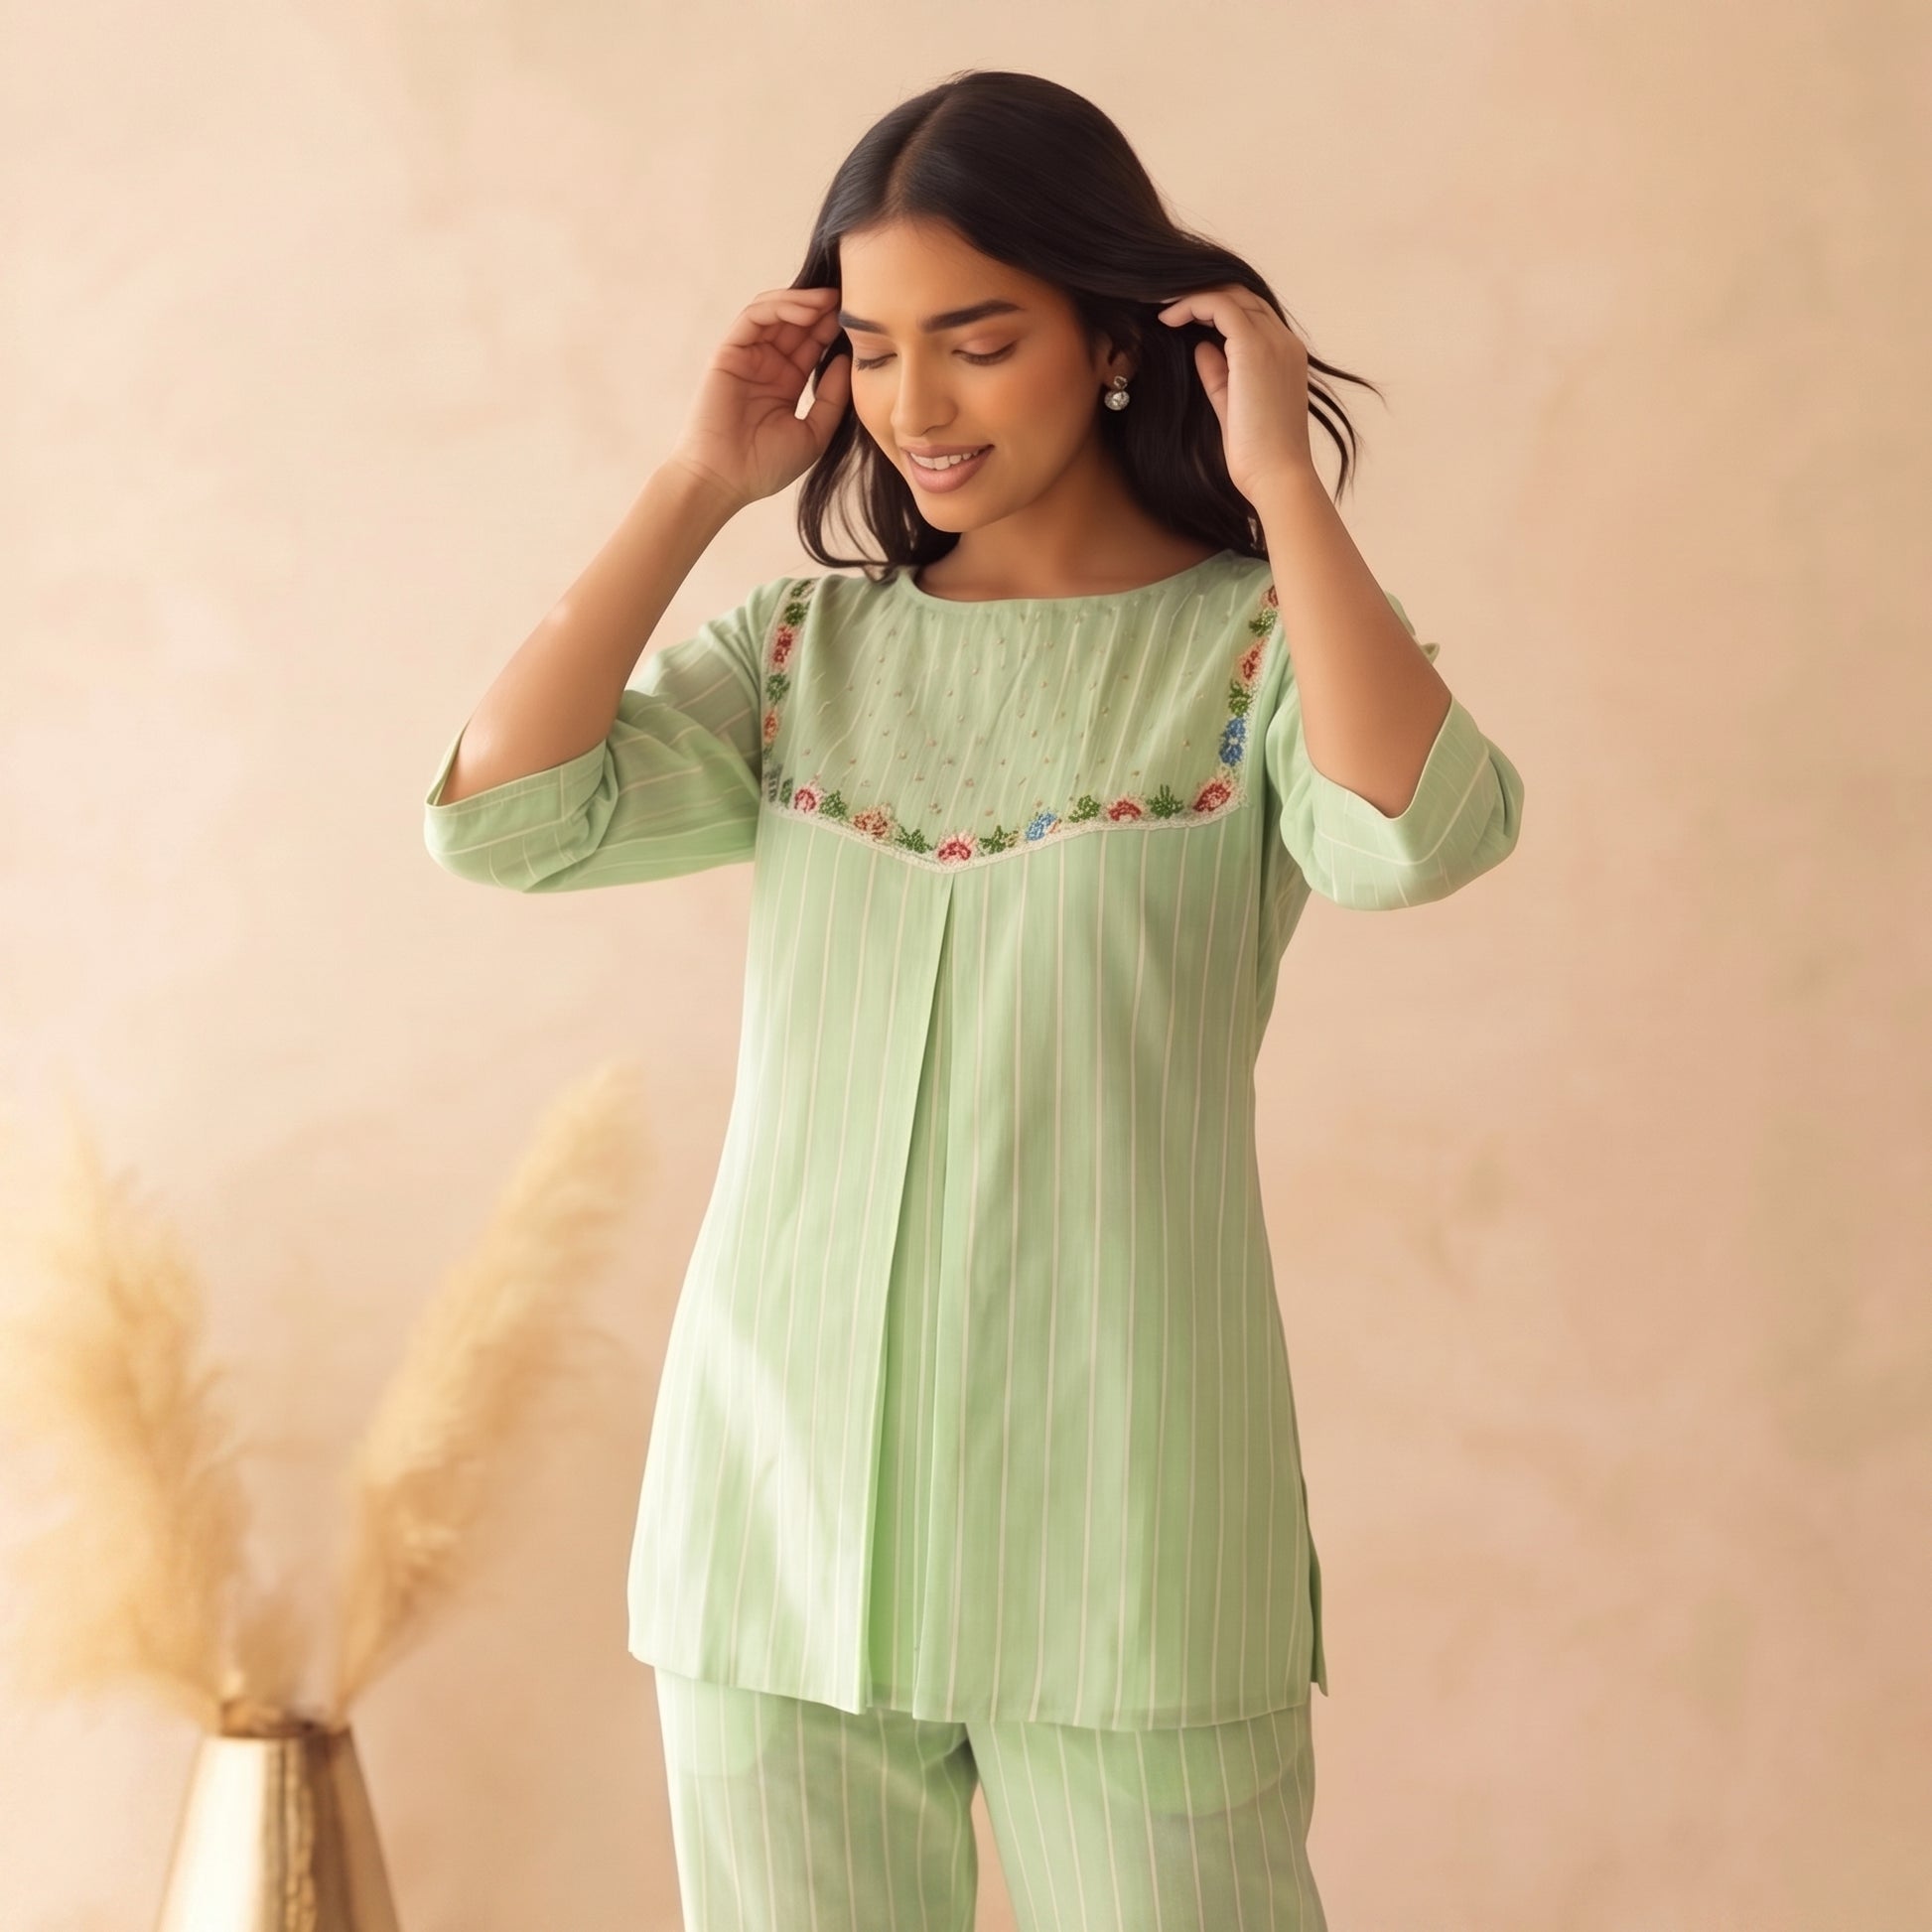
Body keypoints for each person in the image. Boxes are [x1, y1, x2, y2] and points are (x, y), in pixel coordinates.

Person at [422, 68, 1523, 1932]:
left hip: (1126, 1538)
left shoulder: (1260, 647)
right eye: (870, 348)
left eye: (978, 342)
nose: (913, 407)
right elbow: (502, 819)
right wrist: (697, 483)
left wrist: (1280, 488)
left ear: (1116, 340)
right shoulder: (801, 655)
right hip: (774, 1525)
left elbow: (1416, 837)